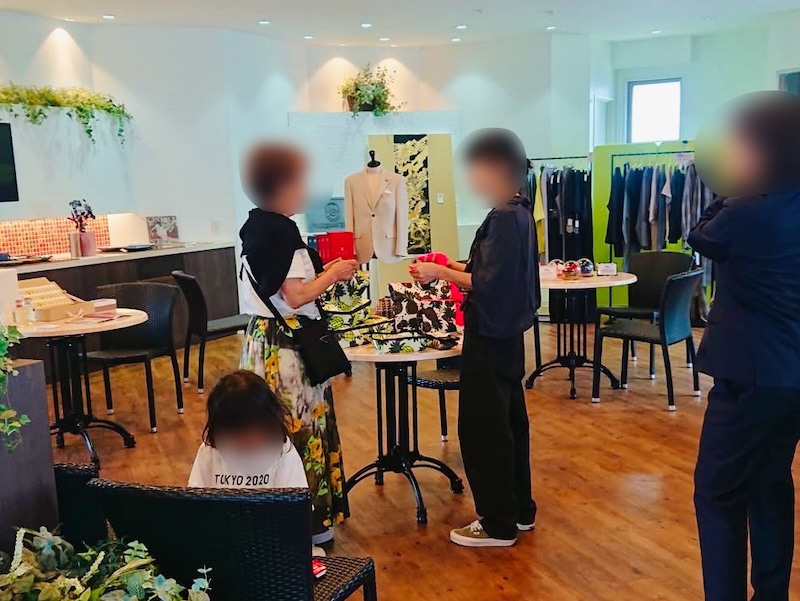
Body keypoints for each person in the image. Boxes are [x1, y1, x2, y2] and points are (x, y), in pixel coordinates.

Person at [689, 91, 800, 601]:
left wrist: (733, 186)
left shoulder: (746, 211)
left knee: (717, 493)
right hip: (791, 378)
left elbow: (700, 235)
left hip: (749, 376)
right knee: (770, 483)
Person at [410, 128, 540, 547]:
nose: (473, 180)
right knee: (510, 423)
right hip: (508, 335)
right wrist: (452, 265)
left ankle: (498, 522)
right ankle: (519, 510)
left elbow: (487, 282)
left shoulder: (503, 218)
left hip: (490, 334)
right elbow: (493, 270)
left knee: (485, 428)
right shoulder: (520, 213)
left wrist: (440, 272)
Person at [238, 142, 358, 546]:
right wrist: (334, 274)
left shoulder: (256, 228)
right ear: (284, 185)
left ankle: (274, 517)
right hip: (289, 347)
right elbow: (295, 296)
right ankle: (307, 523)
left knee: (269, 426)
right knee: (301, 428)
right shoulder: (282, 233)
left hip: (261, 340)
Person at [188, 370, 326, 557]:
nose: (246, 441)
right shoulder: (210, 451)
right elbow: (194, 504)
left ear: (268, 423)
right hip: (222, 544)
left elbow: (297, 514)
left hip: (272, 546)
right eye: (236, 434)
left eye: (253, 432)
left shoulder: (283, 453)